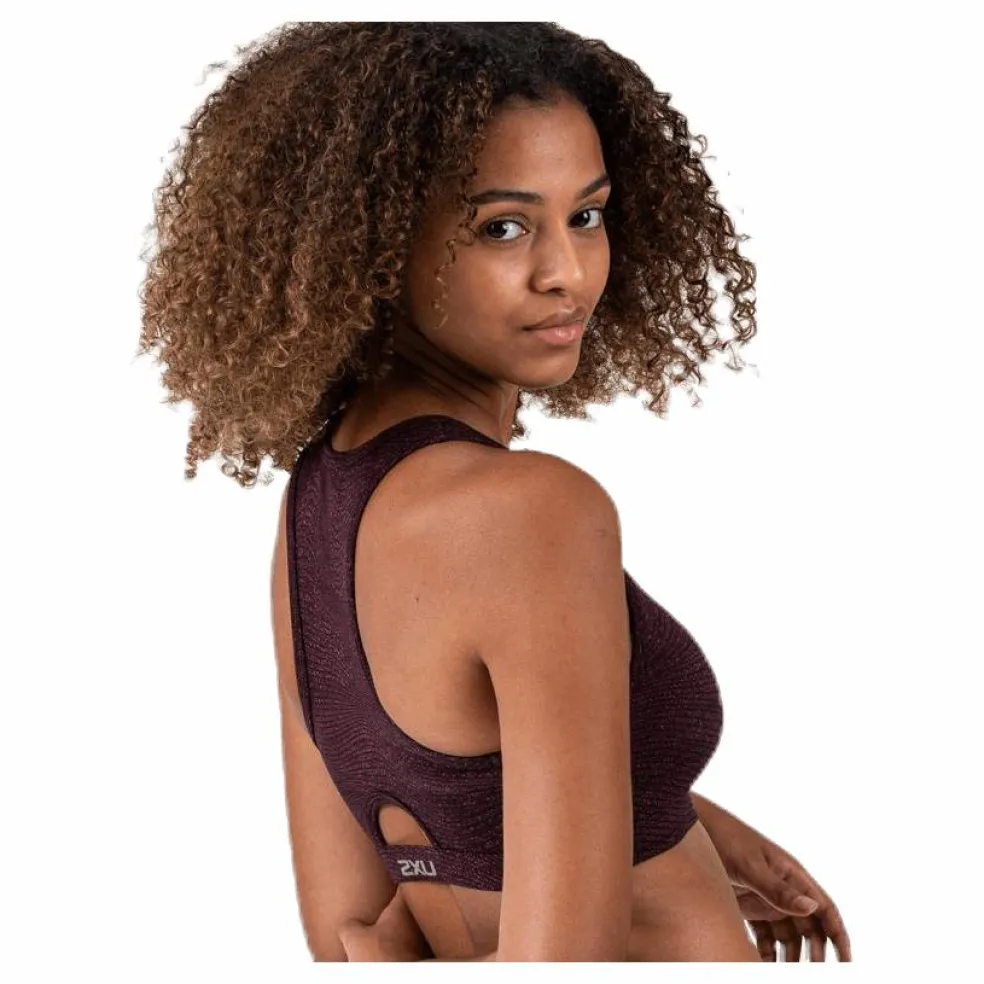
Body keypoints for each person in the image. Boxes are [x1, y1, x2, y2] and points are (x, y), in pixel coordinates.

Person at [137, 21, 851, 962]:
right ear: (375, 245)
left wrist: (683, 824)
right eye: (502, 227)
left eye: (586, 216)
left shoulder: (325, 500)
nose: (567, 274)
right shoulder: (536, 512)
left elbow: (354, 927)